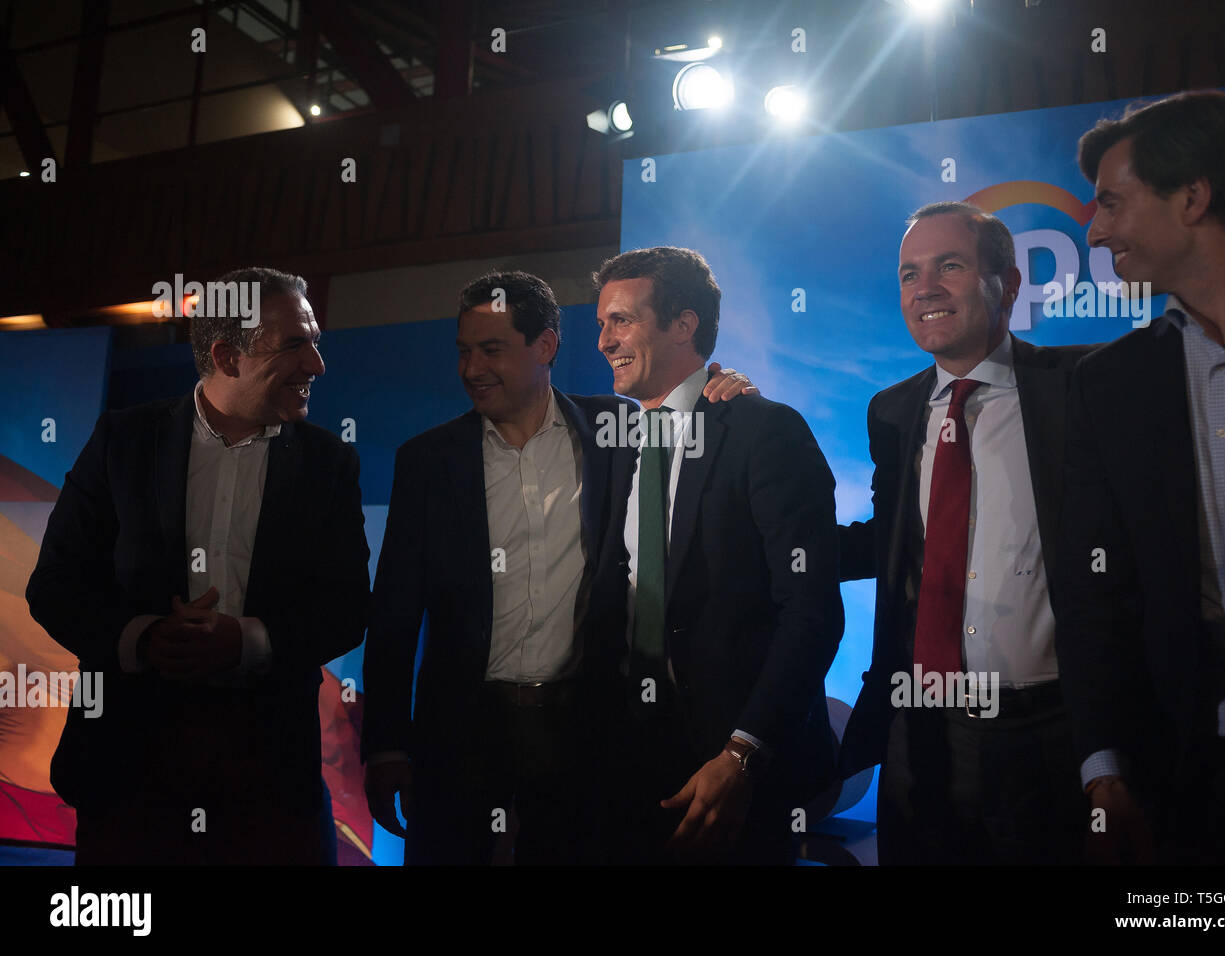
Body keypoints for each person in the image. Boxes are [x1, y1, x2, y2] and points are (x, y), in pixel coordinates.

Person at [360, 271, 755, 864]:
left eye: (492, 350)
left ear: (544, 347)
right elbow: (393, 613)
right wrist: (386, 744)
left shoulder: (617, 430)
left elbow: (684, 412)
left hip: (584, 736)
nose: (472, 369)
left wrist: (724, 388)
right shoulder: (427, 461)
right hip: (460, 737)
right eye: (464, 352)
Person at [26, 266, 370, 864]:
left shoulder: (328, 464)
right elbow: (55, 584)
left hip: (271, 794)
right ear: (226, 356)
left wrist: (248, 641)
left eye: (315, 341)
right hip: (127, 779)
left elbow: (345, 608)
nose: (316, 364)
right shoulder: (123, 442)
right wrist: (144, 637)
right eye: (295, 344)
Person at [1058, 89, 1225, 864]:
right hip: (1186, 795)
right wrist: (1104, 773)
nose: (1093, 233)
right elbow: (1098, 597)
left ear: (1194, 196)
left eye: (1112, 205)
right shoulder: (1109, 384)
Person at [837, 202, 1094, 864]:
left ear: (1006, 284)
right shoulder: (892, 411)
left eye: (949, 266)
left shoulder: (1081, 387)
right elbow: (891, 542)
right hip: (920, 732)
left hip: (1051, 735)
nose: (924, 289)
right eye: (908, 274)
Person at [585, 247, 843, 865]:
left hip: (735, 768)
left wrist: (743, 753)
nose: (603, 341)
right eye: (601, 324)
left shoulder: (763, 430)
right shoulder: (608, 442)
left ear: (683, 324)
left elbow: (810, 611)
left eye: (621, 320)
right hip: (626, 762)